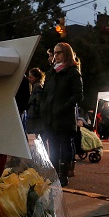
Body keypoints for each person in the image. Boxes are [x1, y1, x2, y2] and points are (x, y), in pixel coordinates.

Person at [41, 42, 83, 186]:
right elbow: (45, 93)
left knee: (64, 146)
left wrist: (63, 108)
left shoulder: (72, 72)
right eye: (55, 52)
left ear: (66, 53)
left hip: (64, 117)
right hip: (51, 117)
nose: (56, 55)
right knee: (52, 147)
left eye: (59, 52)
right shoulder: (51, 72)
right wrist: (44, 107)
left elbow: (77, 95)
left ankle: (63, 175)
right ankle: (54, 175)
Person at [25, 68, 45, 137]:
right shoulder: (37, 85)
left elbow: (39, 100)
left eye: (31, 77)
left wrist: (36, 110)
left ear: (36, 77)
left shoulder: (37, 86)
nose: (29, 79)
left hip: (35, 116)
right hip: (34, 115)